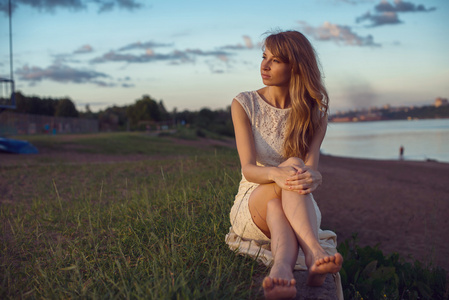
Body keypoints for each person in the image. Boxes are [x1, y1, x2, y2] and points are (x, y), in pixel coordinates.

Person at [226, 30, 343, 299]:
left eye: (275, 61)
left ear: (296, 67)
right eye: (264, 57)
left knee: (279, 201)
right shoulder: (244, 104)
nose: (264, 66)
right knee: (292, 165)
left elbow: (311, 169)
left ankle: (282, 268)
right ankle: (314, 251)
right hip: (253, 196)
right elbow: (248, 169)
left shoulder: (315, 114)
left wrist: (316, 177)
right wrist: (278, 174)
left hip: (296, 204)